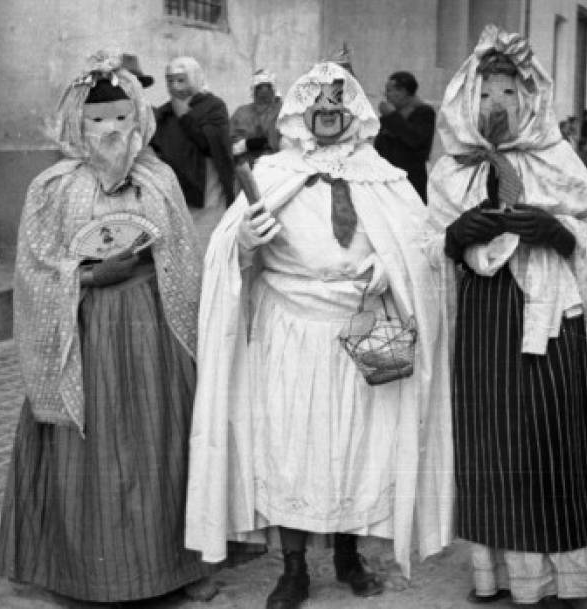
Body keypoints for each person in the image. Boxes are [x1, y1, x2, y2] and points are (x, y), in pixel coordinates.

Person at [184, 60, 454, 609]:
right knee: (293, 450)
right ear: (300, 112)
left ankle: (348, 557)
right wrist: (245, 242)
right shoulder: (273, 173)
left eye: (338, 103)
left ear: (354, 111)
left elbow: (424, 248)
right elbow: (226, 255)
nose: (328, 113)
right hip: (291, 332)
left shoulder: (385, 177)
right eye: (318, 104)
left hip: (363, 325)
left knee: (358, 445)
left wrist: (390, 267)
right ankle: (294, 569)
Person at [0, 51, 220, 603]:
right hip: (85, 332)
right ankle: (87, 577)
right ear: (77, 120)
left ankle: (164, 570)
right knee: (92, 449)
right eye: (97, 119)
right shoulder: (52, 187)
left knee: (156, 442)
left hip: (152, 330)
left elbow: (183, 258)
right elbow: (35, 266)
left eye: (121, 117)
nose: (111, 129)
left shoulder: (158, 179)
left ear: (137, 116)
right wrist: (92, 274)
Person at [428, 26, 587, 608]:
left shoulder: (556, 158)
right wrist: (456, 235)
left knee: (549, 434)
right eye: (486, 93)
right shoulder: (451, 169)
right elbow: (426, 243)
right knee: (489, 441)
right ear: (467, 99)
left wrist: (558, 231)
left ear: (529, 98)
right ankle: (500, 574)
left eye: (509, 92)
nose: (497, 105)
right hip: (483, 317)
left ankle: (559, 578)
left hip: (548, 316)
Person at [151, 56, 234, 209]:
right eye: (170, 81)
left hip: (207, 190)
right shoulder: (165, 112)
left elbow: (212, 144)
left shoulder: (213, 106)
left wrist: (185, 117)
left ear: (194, 77)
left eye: (181, 80)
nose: (175, 86)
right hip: (177, 188)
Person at [374, 70, 436, 203]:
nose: (386, 95)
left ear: (403, 92)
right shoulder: (392, 115)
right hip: (387, 179)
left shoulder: (424, 112)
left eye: (389, 90)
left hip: (411, 181)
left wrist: (392, 116)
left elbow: (414, 139)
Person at [230, 69, 283, 167]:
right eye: (259, 87)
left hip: (277, 167)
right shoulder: (242, 113)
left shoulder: (283, 112)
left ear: (274, 89)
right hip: (247, 166)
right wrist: (246, 144)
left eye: (267, 87)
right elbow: (230, 146)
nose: (263, 91)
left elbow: (290, 142)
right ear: (253, 90)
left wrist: (269, 142)